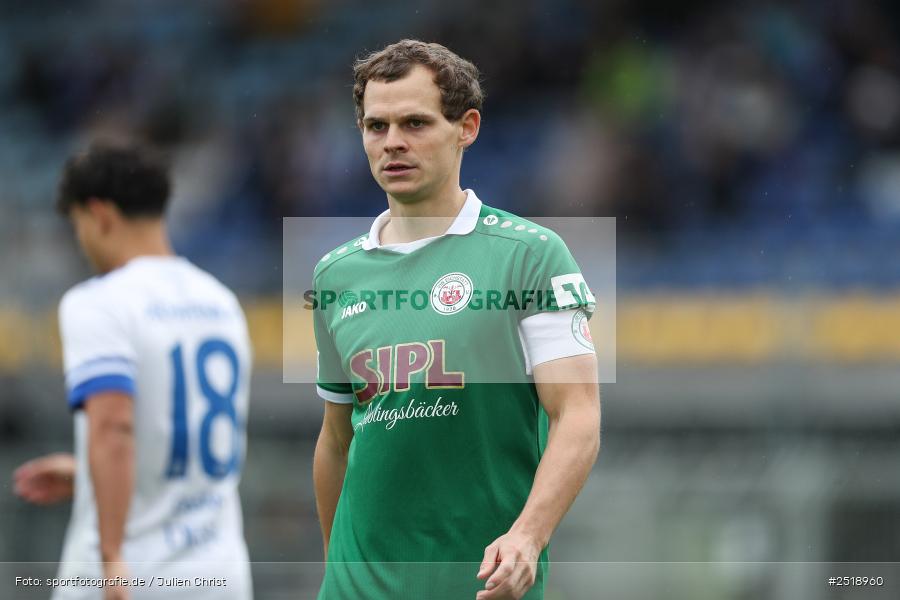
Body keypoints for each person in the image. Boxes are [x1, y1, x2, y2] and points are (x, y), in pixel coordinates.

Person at [312, 40, 601, 600]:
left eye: (415, 123)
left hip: (479, 585)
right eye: (376, 127)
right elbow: (335, 439)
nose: (392, 142)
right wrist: (334, 571)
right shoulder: (334, 275)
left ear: (466, 127)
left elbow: (578, 414)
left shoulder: (530, 255)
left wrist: (527, 537)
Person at [13, 141, 253, 600]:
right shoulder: (220, 302)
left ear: (99, 214)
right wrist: (87, 472)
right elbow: (185, 436)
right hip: (220, 573)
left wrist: (110, 555)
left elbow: (114, 426)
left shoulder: (99, 302)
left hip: (136, 573)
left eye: (78, 226)